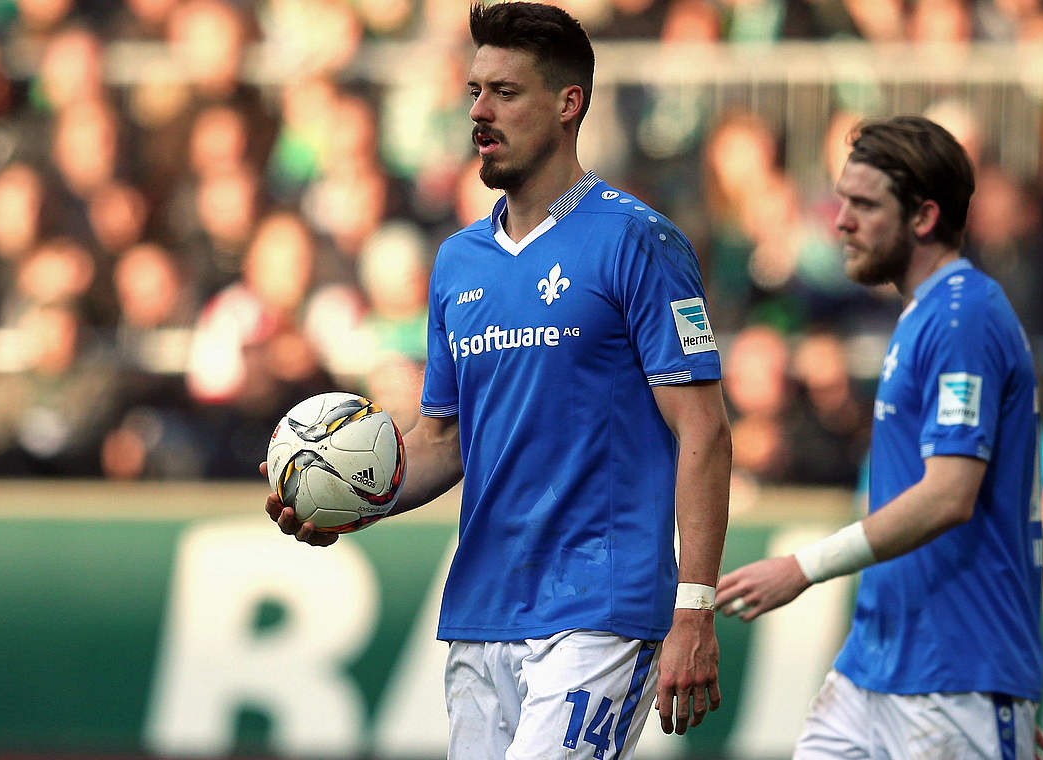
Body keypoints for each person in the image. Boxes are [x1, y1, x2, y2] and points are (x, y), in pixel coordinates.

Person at [262, 3, 732, 758]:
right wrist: (350, 496)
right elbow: (444, 440)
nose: (479, 111)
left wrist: (695, 609)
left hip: (600, 609)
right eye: (475, 91)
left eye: (505, 93)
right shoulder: (457, 263)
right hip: (483, 612)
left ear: (568, 103)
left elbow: (703, 427)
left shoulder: (637, 239)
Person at [716, 116, 1043, 759]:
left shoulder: (964, 315)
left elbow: (950, 494)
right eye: (843, 200)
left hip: (952, 671)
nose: (840, 220)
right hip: (878, 665)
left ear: (923, 218)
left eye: (863, 204)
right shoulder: (925, 312)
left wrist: (802, 569)